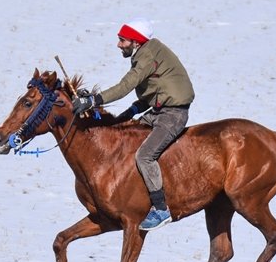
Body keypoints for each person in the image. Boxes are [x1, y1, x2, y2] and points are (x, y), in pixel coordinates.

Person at [71, 19, 195, 231]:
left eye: (122, 40)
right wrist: (130, 112)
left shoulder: (146, 56)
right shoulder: (147, 52)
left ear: (136, 42)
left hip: (172, 115)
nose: (118, 45)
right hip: (159, 112)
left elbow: (125, 86)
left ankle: (161, 209)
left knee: (144, 155)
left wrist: (93, 101)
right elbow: (154, 91)